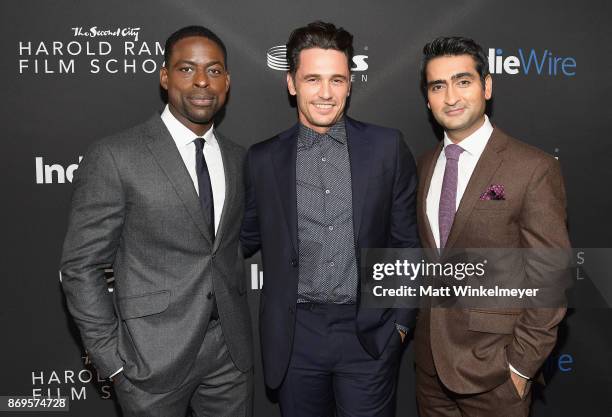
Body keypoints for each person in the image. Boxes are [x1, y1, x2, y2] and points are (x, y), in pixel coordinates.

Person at [60, 25, 252, 417]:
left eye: (214, 70)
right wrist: (110, 361)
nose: (202, 81)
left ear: (227, 82)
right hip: (149, 359)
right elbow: (81, 266)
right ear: (165, 77)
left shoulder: (238, 158)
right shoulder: (116, 156)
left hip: (229, 355)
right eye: (187, 69)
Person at [241, 21, 419, 417]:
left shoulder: (387, 148)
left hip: (369, 333)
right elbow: (241, 237)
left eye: (337, 79)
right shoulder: (263, 159)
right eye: (313, 79)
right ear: (291, 83)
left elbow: (407, 240)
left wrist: (401, 324)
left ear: (350, 84)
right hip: (295, 337)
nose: (325, 93)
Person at [414, 36, 570, 417]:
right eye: (438, 86)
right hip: (429, 370)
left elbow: (551, 274)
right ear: (429, 98)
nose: (451, 96)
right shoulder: (423, 166)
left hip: (495, 373)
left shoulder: (532, 168)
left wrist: (520, 366)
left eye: (463, 81)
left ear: (486, 86)